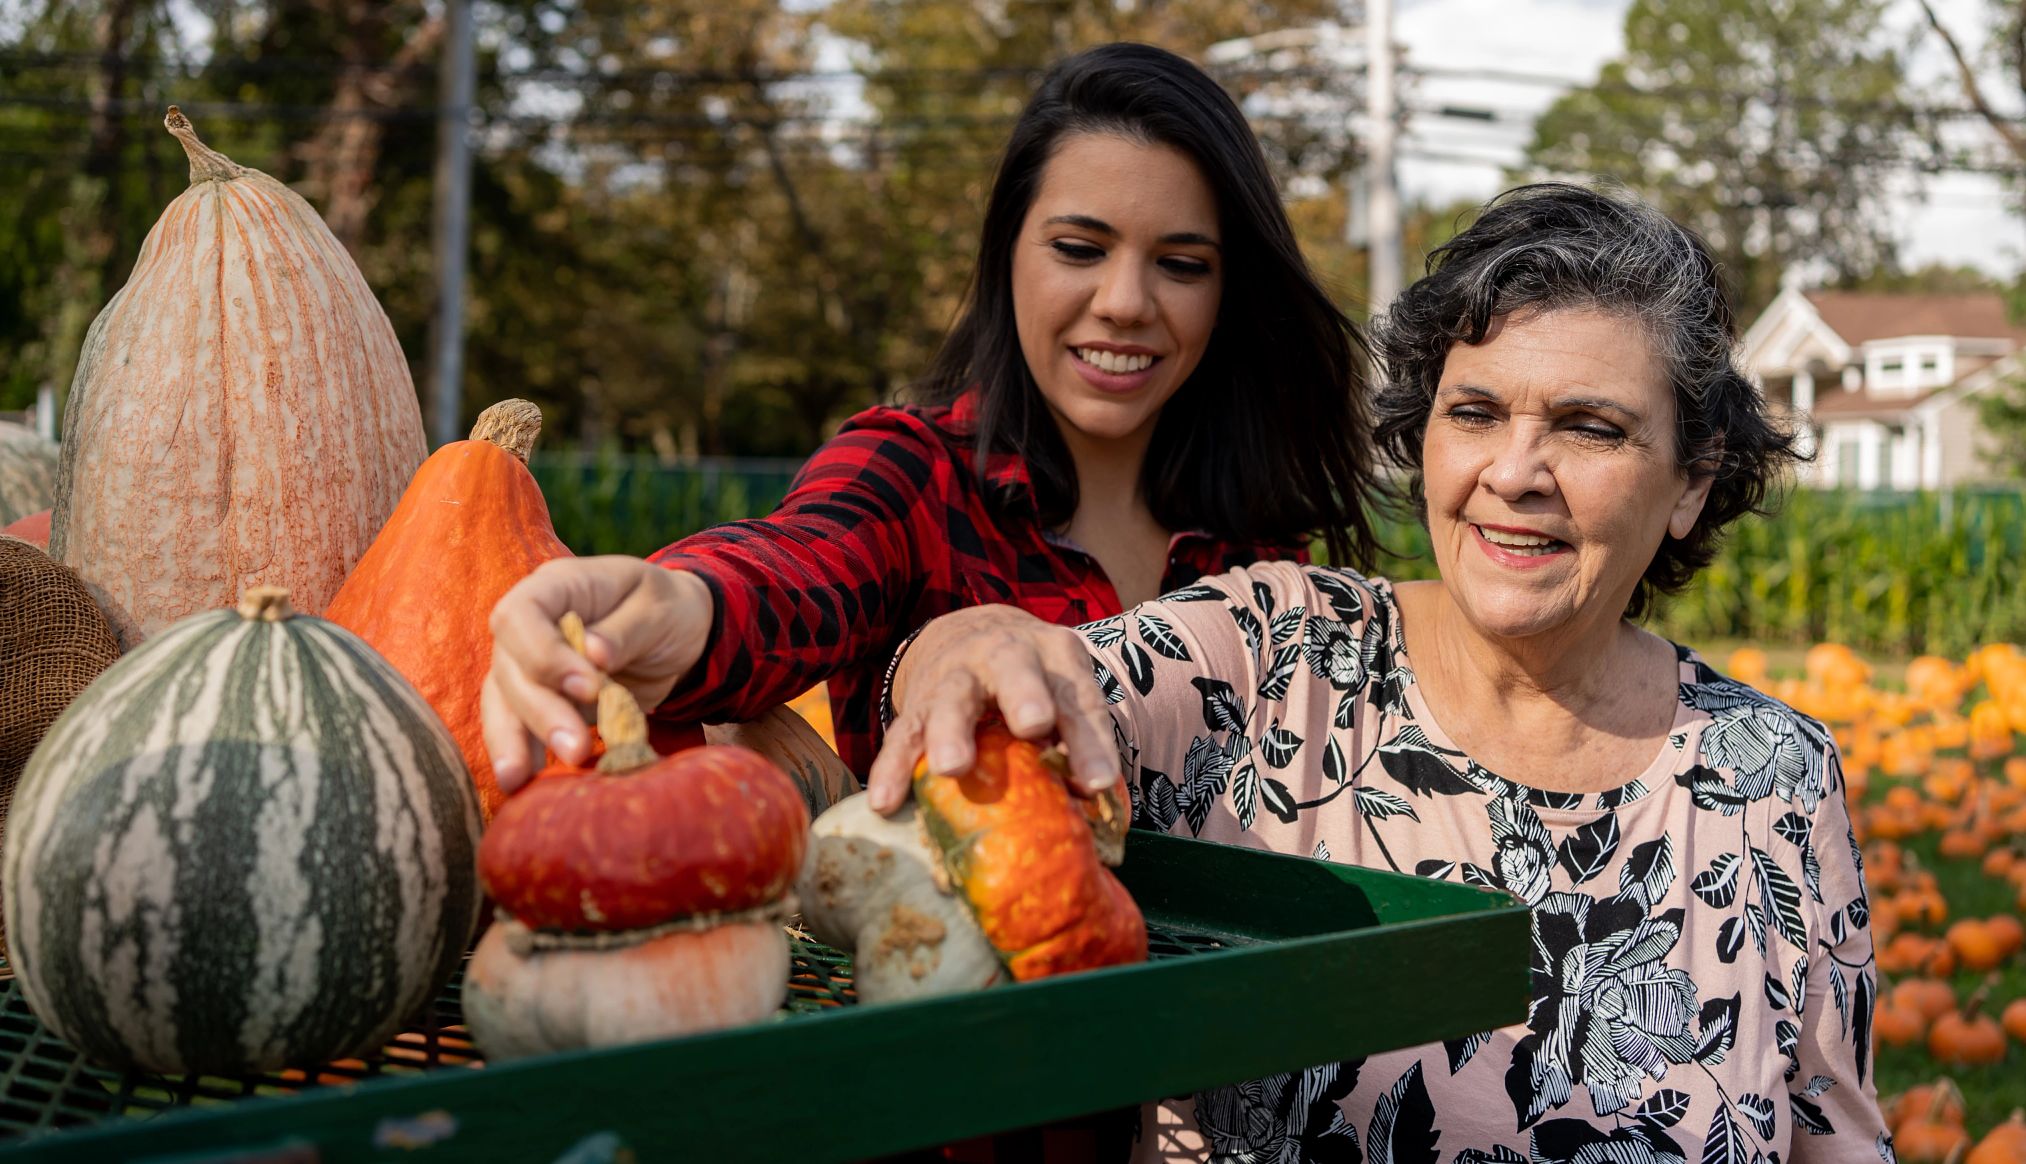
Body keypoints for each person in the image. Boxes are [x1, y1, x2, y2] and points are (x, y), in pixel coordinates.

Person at [873, 184, 1891, 1163]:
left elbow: (1832, 1134)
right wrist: (964, 646)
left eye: (1589, 427)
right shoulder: (1274, 659)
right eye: (1475, 413)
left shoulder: (1773, 774)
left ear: (1691, 480)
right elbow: (1038, 688)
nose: (1513, 473)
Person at [481, 41, 1382, 796]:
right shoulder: (911, 471)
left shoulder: (1264, 546)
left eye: (1182, 264)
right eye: (1079, 249)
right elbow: (793, 570)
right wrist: (681, 604)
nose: (1124, 302)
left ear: (1228, 293)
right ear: (1008, 258)